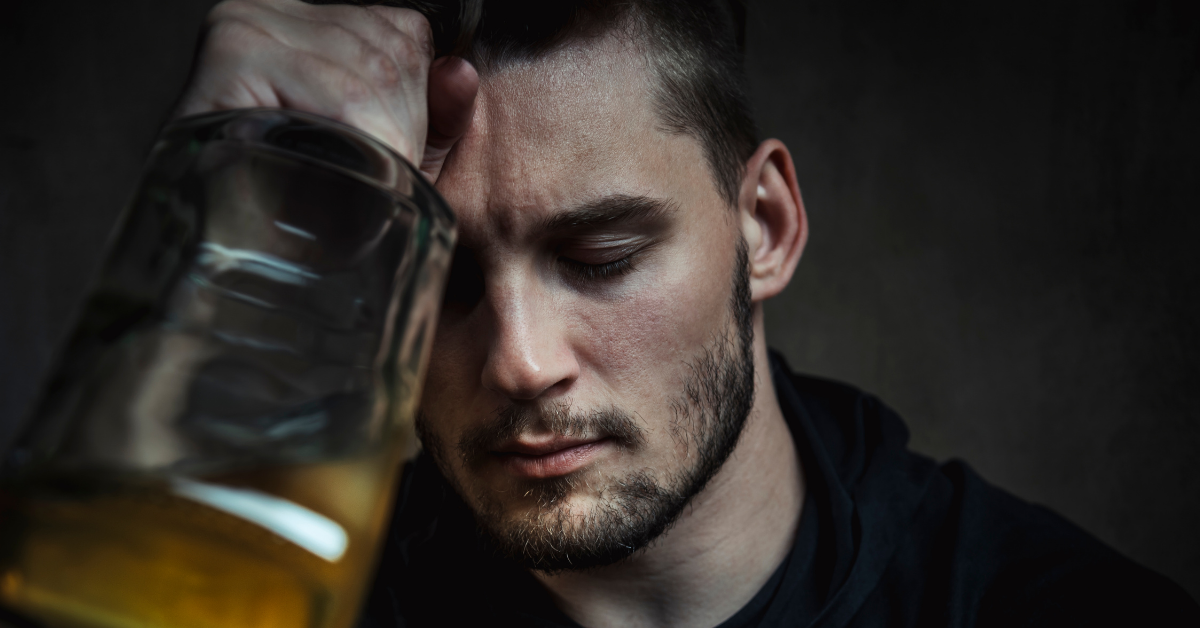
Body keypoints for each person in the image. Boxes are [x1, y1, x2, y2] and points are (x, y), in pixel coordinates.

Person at [174, 0, 1200, 626]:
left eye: (601, 257)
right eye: (438, 281)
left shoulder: (1053, 610)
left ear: (763, 226)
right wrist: (224, 227)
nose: (521, 363)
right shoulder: (284, 591)